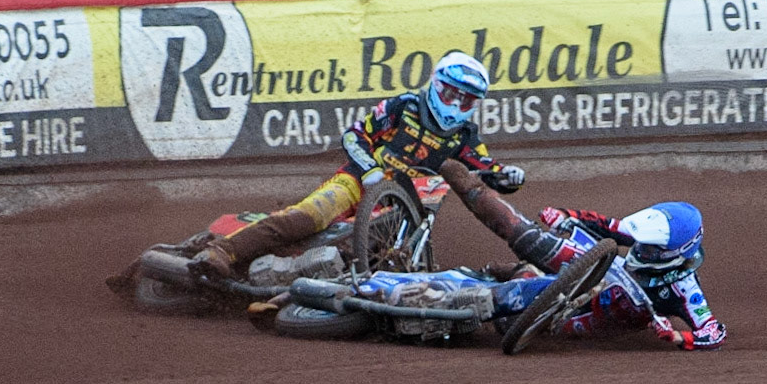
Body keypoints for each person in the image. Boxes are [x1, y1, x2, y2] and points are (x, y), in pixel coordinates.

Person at [190, 52, 526, 279]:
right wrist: (369, 170)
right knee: (307, 218)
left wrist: (507, 176)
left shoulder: (465, 133)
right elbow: (354, 135)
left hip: (407, 207)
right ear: (436, 84)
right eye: (452, 93)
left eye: (466, 100)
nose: (456, 104)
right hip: (357, 182)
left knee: (382, 261)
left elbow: (485, 167)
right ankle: (222, 251)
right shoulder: (404, 105)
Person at [438, 161, 726, 350]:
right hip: (603, 268)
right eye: (642, 243)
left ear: (675, 254)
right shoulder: (641, 236)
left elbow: (713, 333)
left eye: (651, 249)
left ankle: (459, 300)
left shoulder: (687, 290)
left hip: (594, 319)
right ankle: (473, 190)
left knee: (514, 308)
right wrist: (566, 215)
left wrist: (676, 336)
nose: (642, 248)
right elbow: (606, 225)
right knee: (529, 238)